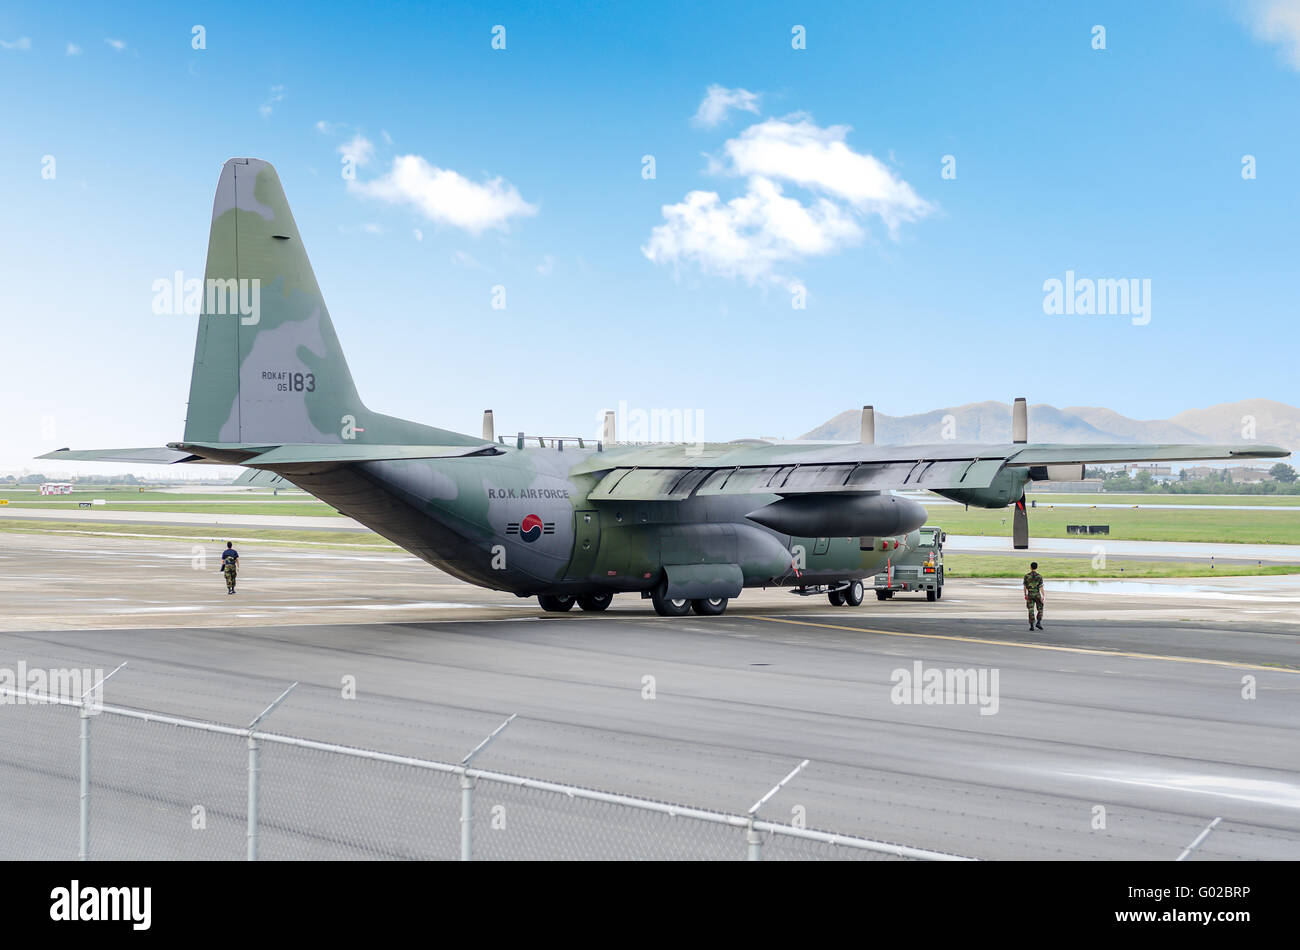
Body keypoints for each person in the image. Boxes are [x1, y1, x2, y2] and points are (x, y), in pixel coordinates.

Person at [1023, 561, 1044, 630]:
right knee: (1040, 609)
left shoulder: (1027, 576)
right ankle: (1038, 622)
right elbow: (1041, 587)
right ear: (1037, 567)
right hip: (1037, 594)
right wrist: (1043, 596)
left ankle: (1032, 625)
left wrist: (1025, 594)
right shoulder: (1039, 576)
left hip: (1030, 594)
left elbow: (1025, 587)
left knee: (1031, 609)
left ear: (1030, 567)